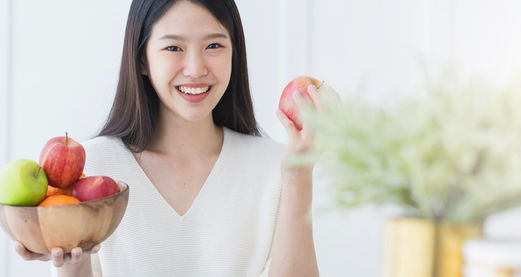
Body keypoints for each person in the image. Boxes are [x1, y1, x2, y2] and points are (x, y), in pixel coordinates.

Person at [13, 0, 320, 276]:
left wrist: (298, 176)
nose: (196, 69)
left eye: (214, 46)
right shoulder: (93, 166)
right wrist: (68, 259)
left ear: (234, 53)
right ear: (142, 59)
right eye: (174, 48)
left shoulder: (276, 166)